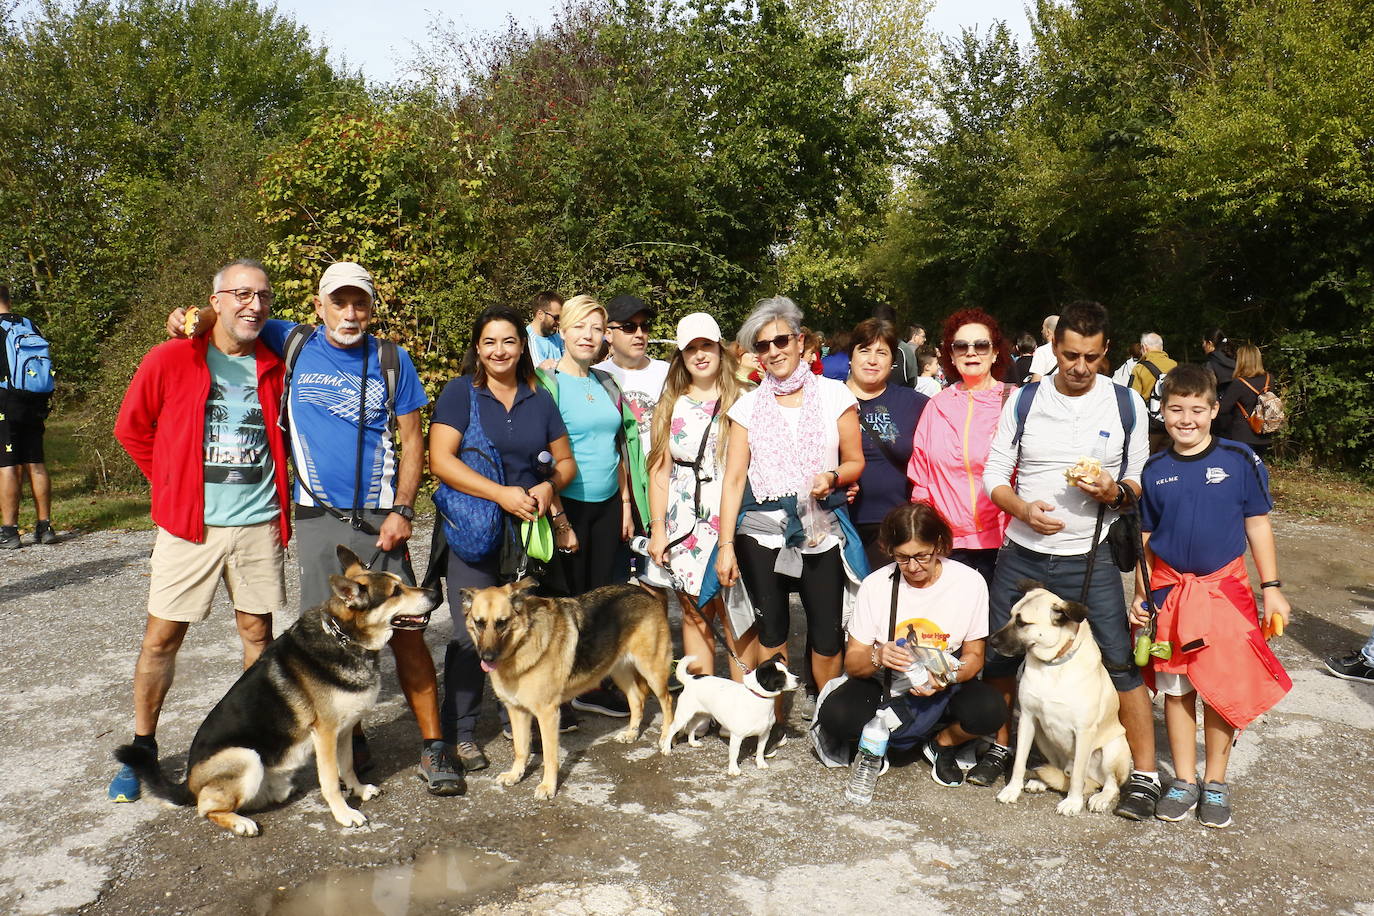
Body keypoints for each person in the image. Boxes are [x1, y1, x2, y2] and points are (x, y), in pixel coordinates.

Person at [172, 262, 462, 794]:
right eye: (339, 302)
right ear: (318, 305)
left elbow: (413, 440)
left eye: (360, 303)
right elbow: (232, 315)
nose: (350, 314)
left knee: (408, 632)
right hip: (314, 516)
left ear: (371, 307)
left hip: (379, 517)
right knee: (329, 637)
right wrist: (188, 318)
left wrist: (403, 509)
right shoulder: (293, 340)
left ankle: (434, 745)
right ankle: (354, 739)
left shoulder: (393, 360)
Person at [107, 259, 292, 803]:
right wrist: (171, 483)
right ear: (214, 301)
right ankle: (142, 749)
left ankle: (253, 742)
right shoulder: (171, 357)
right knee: (162, 639)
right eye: (239, 294)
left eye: (261, 295)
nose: (252, 304)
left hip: (258, 523)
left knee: (258, 636)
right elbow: (132, 429)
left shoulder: (277, 364)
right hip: (191, 527)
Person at [979, 300, 1161, 819]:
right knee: (1001, 656)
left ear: (1106, 353)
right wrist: (1020, 508)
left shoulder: (1124, 404)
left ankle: (1143, 775)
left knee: (1120, 661)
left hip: (1091, 557)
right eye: (1070, 355)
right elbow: (994, 473)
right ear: (1053, 348)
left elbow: (1137, 478)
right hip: (1023, 554)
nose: (1080, 367)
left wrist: (1113, 490)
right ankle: (1001, 746)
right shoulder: (1025, 401)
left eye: (1091, 357)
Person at [1132, 364, 1291, 828]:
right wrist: (1141, 593)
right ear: (1161, 411)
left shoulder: (1240, 459)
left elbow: (1257, 524)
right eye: (1175, 409)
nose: (1186, 419)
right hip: (1170, 592)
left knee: (1221, 690)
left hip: (1226, 591)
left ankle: (1216, 782)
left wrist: (1272, 589)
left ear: (1213, 409)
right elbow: (1146, 534)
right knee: (1176, 690)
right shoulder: (1155, 468)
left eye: (1196, 410)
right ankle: (1183, 780)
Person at [429, 305, 576, 771]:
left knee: (519, 629)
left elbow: (566, 462)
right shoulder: (460, 393)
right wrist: (500, 494)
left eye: (509, 341)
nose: (499, 351)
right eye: (490, 342)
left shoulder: (539, 396)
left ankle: (517, 718)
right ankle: (462, 732)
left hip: (525, 533)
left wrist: (550, 486)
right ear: (478, 347)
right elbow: (440, 460)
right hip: (473, 529)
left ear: (522, 346)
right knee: (469, 633)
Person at [708, 296, 868, 704]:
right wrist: (725, 546)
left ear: (801, 342)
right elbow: (734, 480)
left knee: (828, 632)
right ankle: (772, 715)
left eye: (781, 341)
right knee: (772, 627)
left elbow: (854, 461)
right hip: (760, 532)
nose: (773, 351)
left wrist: (832, 476)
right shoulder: (746, 407)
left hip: (820, 529)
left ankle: (827, 712)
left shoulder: (834, 396)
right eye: (762, 346)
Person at [811, 503, 1008, 787]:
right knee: (838, 716)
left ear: (939, 544)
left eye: (921, 556)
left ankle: (942, 743)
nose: (913, 567)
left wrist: (949, 675)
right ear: (890, 551)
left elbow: (975, 655)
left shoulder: (969, 583)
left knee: (991, 710)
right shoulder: (876, 585)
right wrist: (878, 656)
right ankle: (878, 743)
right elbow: (853, 662)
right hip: (885, 683)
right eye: (902, 558)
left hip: (943, 681)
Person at [646, 313, 745, 678]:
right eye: (691, 349)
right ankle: (702, 705)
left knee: (733, 612)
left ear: (720, 348)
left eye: (707, 346)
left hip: (733, 514)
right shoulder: (670, 403)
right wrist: (658, 528)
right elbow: (658, 469)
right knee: (693, 611)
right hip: (684, 519)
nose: (700, 355)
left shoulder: (745, 397)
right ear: (681, 356)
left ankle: (741, 704)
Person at [907, 309, 1014, 584]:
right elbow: (922, 479)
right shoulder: (936, 406)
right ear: (951, 355)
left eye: (981, 345)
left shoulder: (1015, 402)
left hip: (1003, 541)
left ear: (995, 353)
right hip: (949, 545)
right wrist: (926, 533)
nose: (971, 352)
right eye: (961, 346)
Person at [844, 318, 928, 571]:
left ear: (892, 361)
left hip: (895, 528)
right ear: (851, 356)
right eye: (864, 350)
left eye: (881, 352)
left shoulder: (916, 403)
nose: (872, 360)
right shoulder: (828, 399)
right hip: (838, 525)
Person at [0, 284, 56, 548]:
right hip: (33, 400)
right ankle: (45, 526)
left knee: (8, 464)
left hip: (5, 401)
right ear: (9, 300)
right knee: (36, 461)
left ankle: (9, 530)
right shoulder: (28, 324)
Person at [594, 294, 669, 460]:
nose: (639, 334)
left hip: (659, 473)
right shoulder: (595, 376)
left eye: (644, 326)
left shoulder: (668, 373)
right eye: (629, 327)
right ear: (608, 334)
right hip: (617, 476)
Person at [1216, 344, 1275, 457]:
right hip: (1264, 434)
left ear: (1241, 360)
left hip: (1242, 436)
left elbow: (1223, 409)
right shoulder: (1269, 378)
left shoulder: (1239, 383)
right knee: (1256, 469)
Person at [1129, 332, 1178, 452]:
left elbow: (1132, 397)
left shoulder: (1139, 368)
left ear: (1144, 347)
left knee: (1147, 460)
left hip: (1150, 426)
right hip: (1172, 422)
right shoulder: (1175, 366)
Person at [526, 291, 565, 371]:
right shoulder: (529, 340)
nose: (559, 322)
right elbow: (541, 374)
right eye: (556, 317)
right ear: (540, 314)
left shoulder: (557, 337)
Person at [1202, 327, 1236, 397]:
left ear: (1209, 343)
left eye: (1203, 342)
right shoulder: (1235, 359)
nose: (1203, 345)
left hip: (1219, 405)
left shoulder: (1209, 365)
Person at [1026, 314, 1058, 381]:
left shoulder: (1042, 351)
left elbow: (1036, 381)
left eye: (1043, 328)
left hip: (1048, 390)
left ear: (1048, 332)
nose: (1041, 331)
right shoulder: (1069, 349)